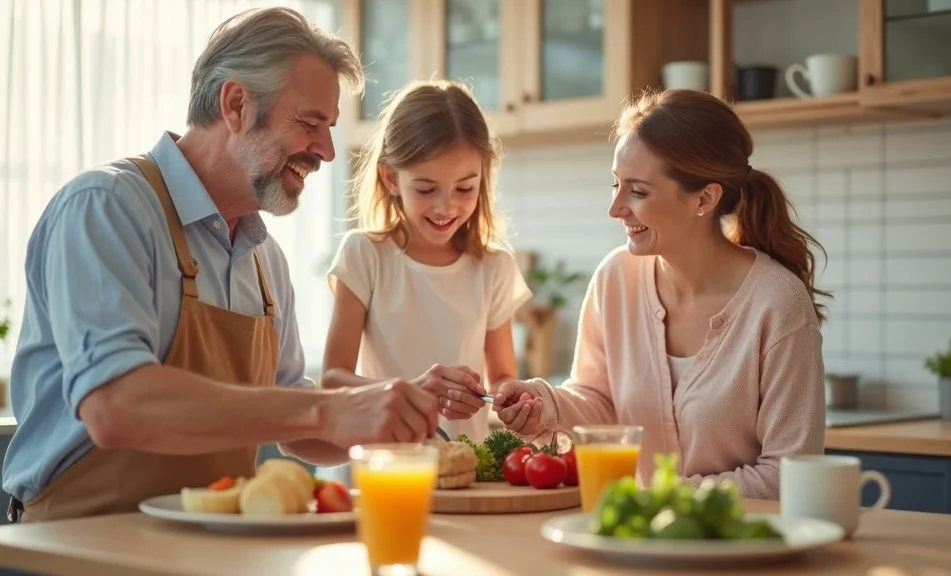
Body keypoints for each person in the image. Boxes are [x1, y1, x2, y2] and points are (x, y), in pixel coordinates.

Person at [2, 7, 440, 524]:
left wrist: (385, 411)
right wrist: (329, 410)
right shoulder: (107, 206)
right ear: (235, 104)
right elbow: (114, 405)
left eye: (330, 127)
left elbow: (293, 418)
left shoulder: (264, 259)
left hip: (216, 545)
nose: (325, 150)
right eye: (310, 123)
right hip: (81, 543)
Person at [493, 89, 828, 500]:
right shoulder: (615, 278)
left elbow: (789, 474)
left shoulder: (779, 304)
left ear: (704, 198)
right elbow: (600, 402)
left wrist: (665, 497)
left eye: (637, 191)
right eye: (616, 185)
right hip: (643, 544)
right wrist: (544, 404)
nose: (615, 207)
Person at [321, 80, 532, 444]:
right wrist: (413, 391)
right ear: (391, 178)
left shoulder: (493, 267)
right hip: (385, 466)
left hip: (464, 468)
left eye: (465, 188)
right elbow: (334, 378)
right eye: (425, 189)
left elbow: (501, 376)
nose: (445, 207)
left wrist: (512, 396)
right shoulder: (365, 255)